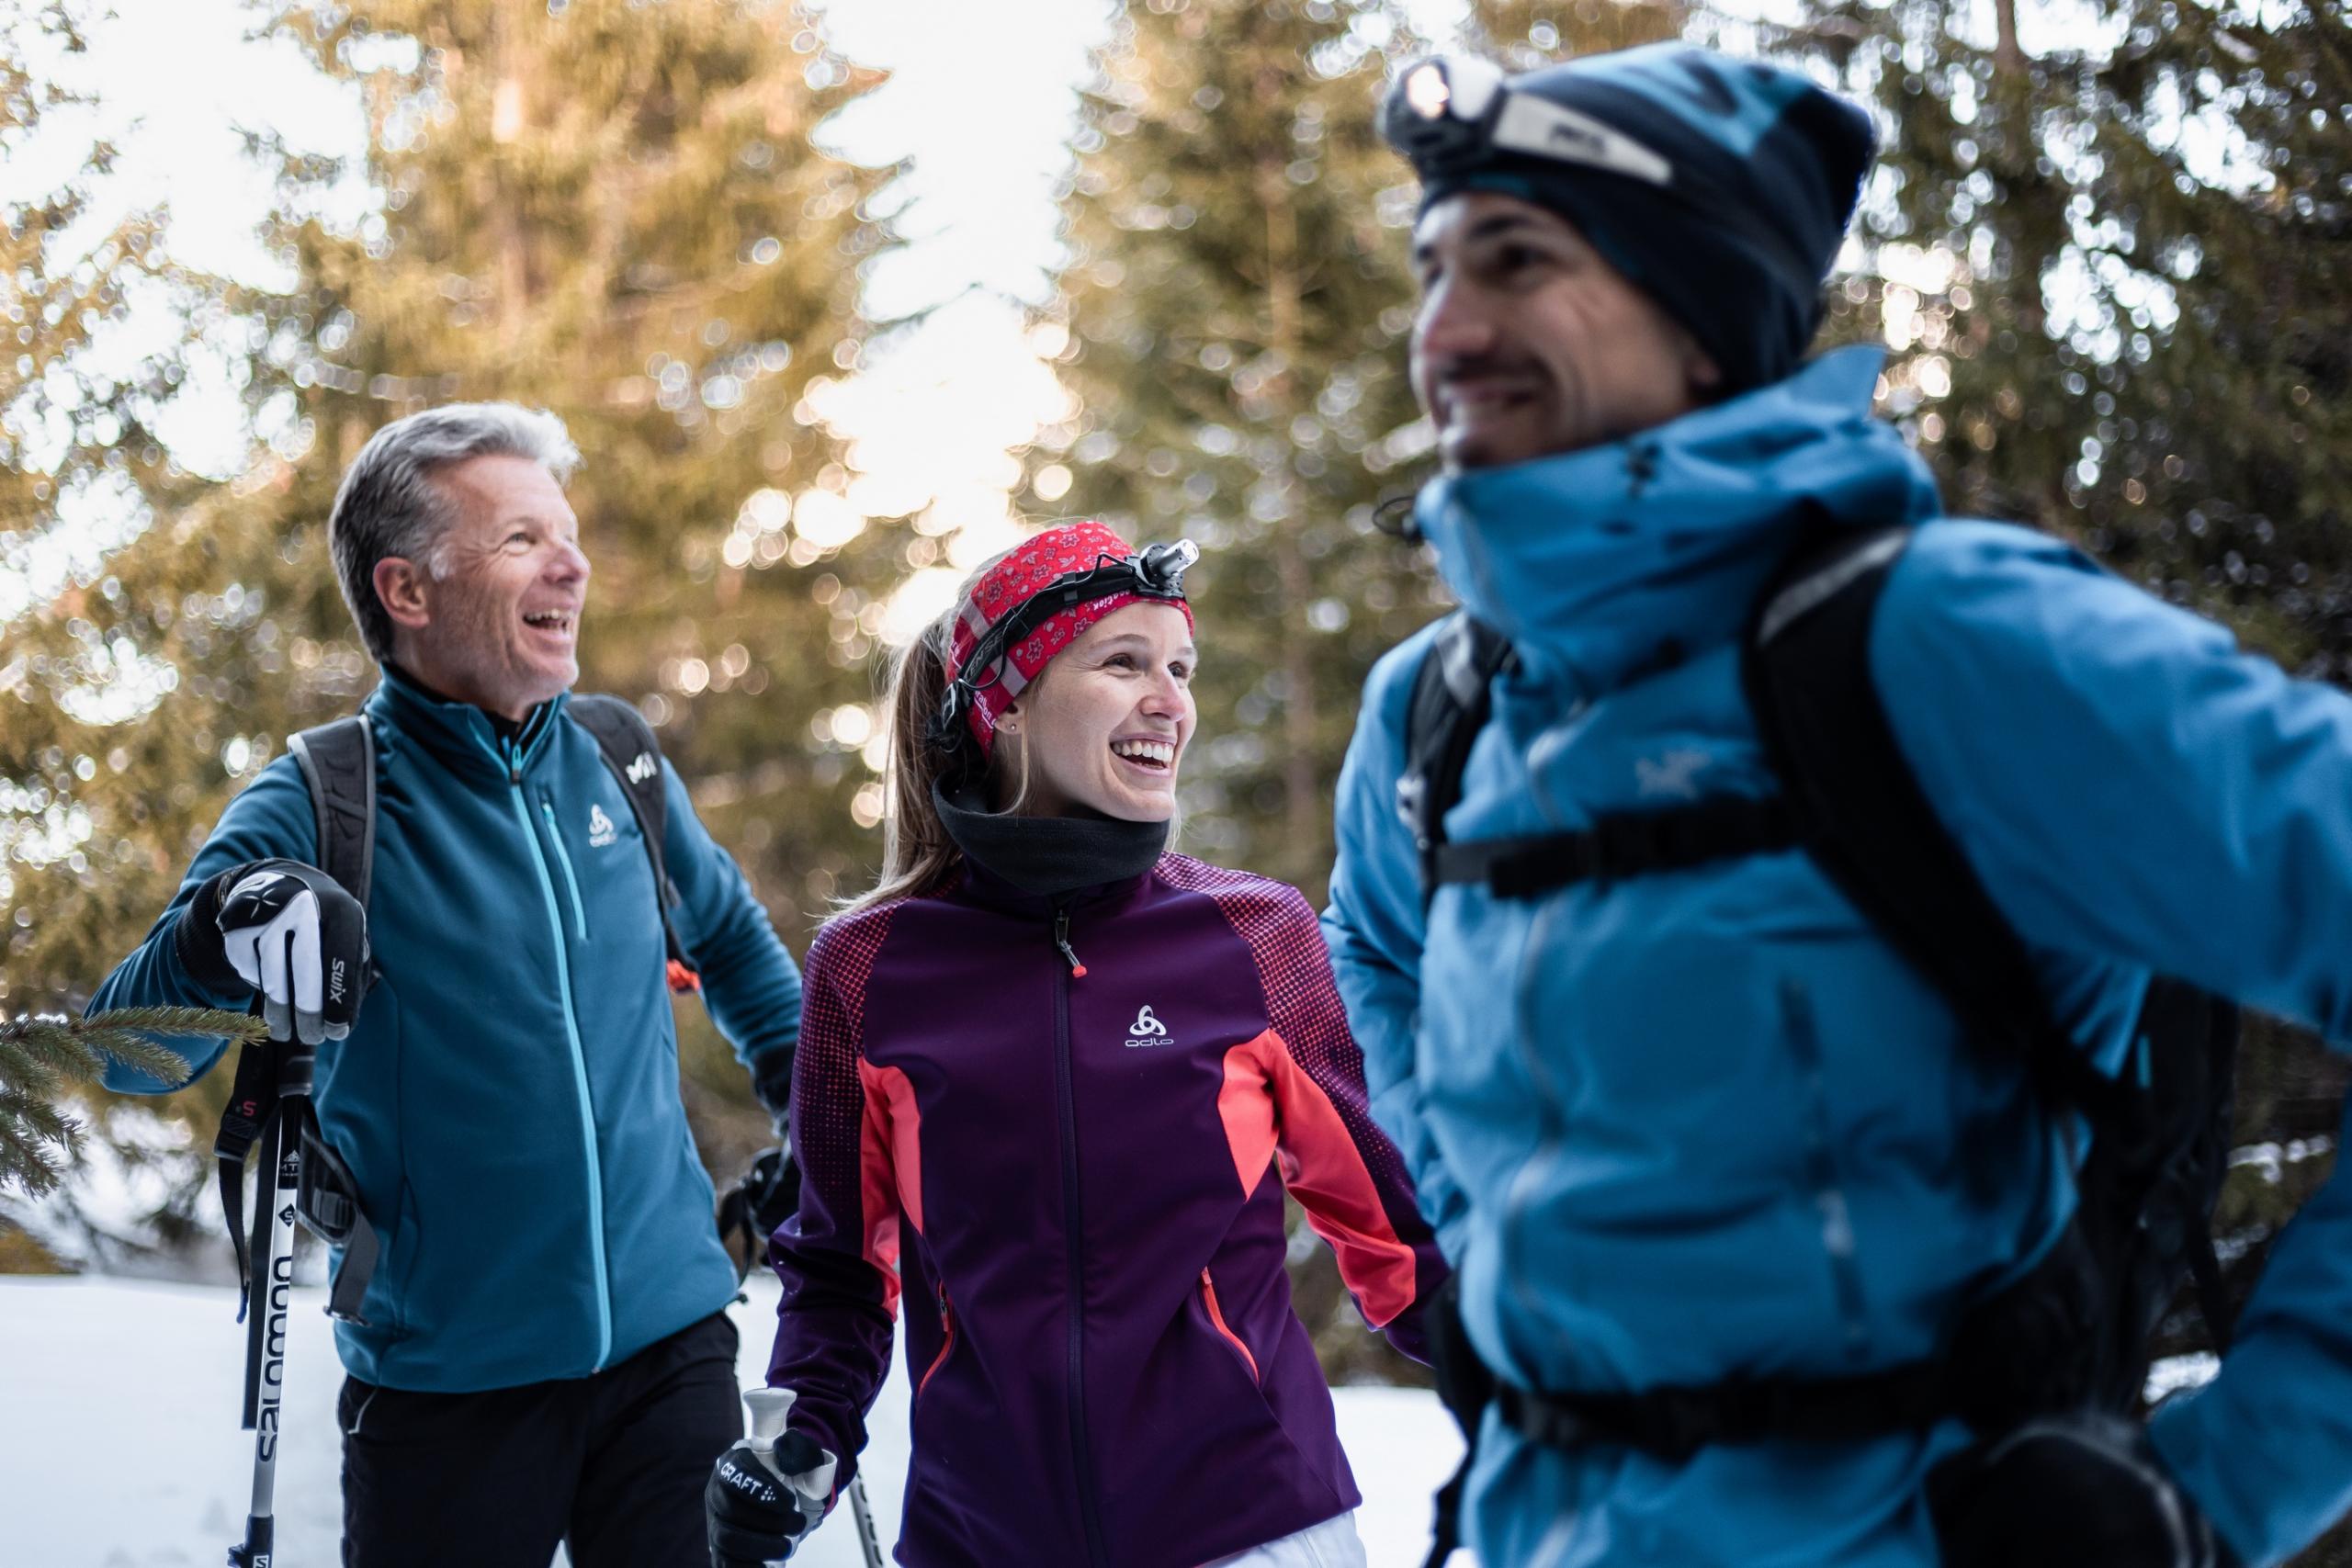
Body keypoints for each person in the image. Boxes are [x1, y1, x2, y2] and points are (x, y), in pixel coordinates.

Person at [1325, 41, 2352, 1568]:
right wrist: (1490, 1248)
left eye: (1516, 259)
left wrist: (2225, 1481)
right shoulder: (1442, 710)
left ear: (1699, 305)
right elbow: (1379, 948)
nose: (1445, 331)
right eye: (1432, 268)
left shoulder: (1944, 645)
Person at [91, 402, 804, 1568]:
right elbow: (128, 1050)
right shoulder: (325, 797)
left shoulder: (616, 759)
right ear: (407, 591)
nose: (572, 564)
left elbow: (730, 942)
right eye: (523, 539)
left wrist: (807, 1112)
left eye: (567, 536)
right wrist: (223, 932)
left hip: (675, 1350)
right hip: (449, 1389)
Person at [704, 521, 1448, 1568]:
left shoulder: (1252, 935)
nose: (1170, 700)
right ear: (1002, 704)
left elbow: (1391, 1233)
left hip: (1253, 1527)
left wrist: (1529, 1380)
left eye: (1181, 668)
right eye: (1124, 662)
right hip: (982, 1537)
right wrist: (801, 1449)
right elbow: (838, 1270)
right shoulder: (867, 968)